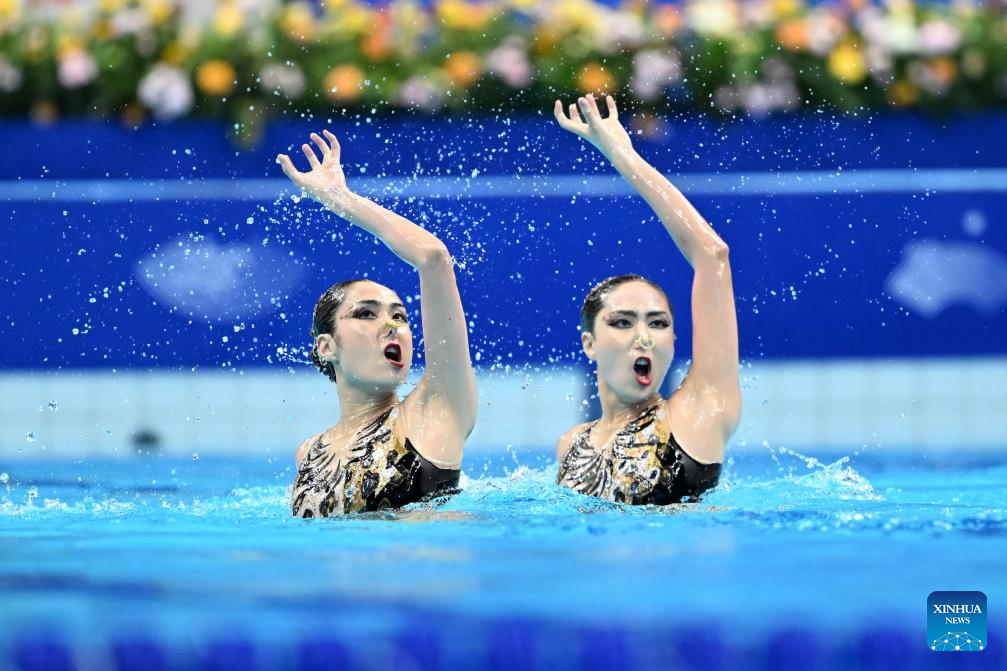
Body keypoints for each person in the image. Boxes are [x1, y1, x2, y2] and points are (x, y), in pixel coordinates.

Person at [552, 94, 741, 505]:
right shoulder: (570, 446)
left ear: (673, 340)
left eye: (658, 323)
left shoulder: (699, 413)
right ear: (589, 344)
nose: (643, 336)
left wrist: (623, 156)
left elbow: (712, 255)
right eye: (622, 322)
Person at [277, 130, 477, 517]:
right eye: (366, 314)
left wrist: (340, 198)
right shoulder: (309, 453)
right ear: (327, 346)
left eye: (399, 315)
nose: (391, 325)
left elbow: (433, 257)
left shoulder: (435, 410)